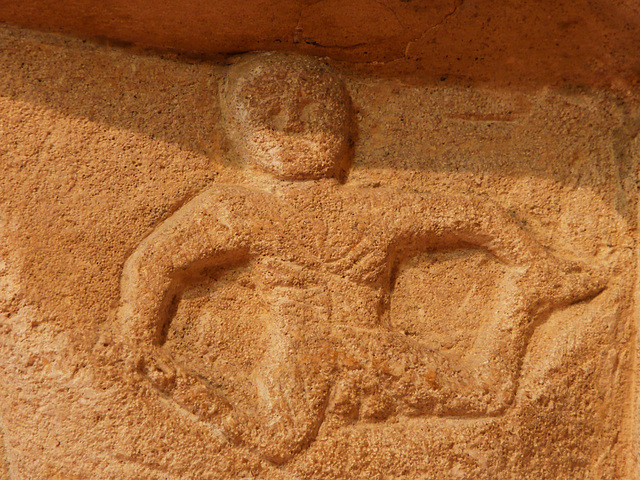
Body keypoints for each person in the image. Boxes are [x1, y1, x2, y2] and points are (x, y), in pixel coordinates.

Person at [117, 52, 606, 464]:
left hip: (364, 347)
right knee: (277, 441)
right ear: (241, 126)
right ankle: (167, 376)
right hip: (309, 352)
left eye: (312, 111)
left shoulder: (374, 206)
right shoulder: (238, 208)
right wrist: (137, 331)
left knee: (486, 395)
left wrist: (531, 258)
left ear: (345, 125)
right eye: (269, 111)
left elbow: (473, 216)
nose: (291, 123)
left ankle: (526, 297)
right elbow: (155, 261)